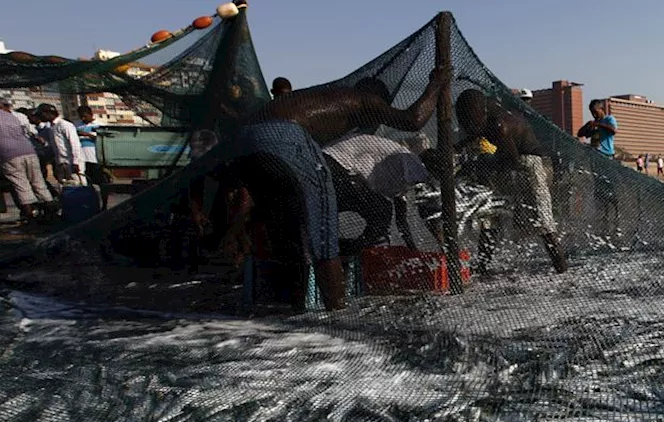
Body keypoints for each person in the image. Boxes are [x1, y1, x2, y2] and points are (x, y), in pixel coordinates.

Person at [209, 68, 449, 310]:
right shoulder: (366, 101)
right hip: (285, 138)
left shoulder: (322, 97)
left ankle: (289, 308)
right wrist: (436, 84)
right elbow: (414, 119)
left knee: (288, 232)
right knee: (324, 241)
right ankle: (338, 315)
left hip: (246, 141)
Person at [451, 88, 567, 275]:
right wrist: (457, 148)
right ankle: (483, 265)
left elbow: (511, 161)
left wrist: (479, 164)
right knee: (490, 214)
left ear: (482, 112)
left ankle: (561, 269)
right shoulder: (488, 114)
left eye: (472, 118)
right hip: (510, 161)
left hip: (530, 163)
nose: (469, 124)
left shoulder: (499, 125)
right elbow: (477, 133)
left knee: (543, 221)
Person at [0, 97, 55, 225]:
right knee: (39, 183)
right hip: (29, 151)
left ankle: (31, 218)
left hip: (10, 155)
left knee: (22, 186)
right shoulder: (13, 116)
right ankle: (51, 213)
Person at [575, 99, 619, 227]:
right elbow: (581, 134)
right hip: (595, 156)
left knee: (609, 185)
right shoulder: (594, 123)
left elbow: (613, 131)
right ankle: (602, 213)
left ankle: (615, 213)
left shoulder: (609, 119)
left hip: (606, 156)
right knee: (598, 186)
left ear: (601, 109)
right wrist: (587, 126)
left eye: (595, 112)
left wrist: (598, 125)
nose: (594, 115)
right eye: (591, 113)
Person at [36, 104, 85, 187]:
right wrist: (44, 143)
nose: (41, 117)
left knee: (79, 186)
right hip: (61, 162)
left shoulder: (64, 125)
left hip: (71, 161)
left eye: (41, 114)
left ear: (48, 113)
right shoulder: (51, 128)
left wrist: (76, 162)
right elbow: (55, 146)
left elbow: (75, 144)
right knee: (67, 187)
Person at [75, 105, 109, 211]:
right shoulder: (76, 125)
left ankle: (104, 205)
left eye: (85, 116)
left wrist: (87, 134)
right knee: (88, 185)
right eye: (81, 117)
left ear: (91, 114)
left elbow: (104, 139)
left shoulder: (100, 124)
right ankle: (92, 206)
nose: (83, 119)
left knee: (102, 184)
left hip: (96, 158)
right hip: (83, 159)